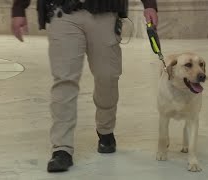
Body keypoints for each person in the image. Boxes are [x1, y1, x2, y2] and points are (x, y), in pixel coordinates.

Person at [11, 0, 158, 173]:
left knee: (108, 76)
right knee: (64, 80)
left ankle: (105, 129)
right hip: (62, 12)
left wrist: (149, 5)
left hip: (104, 11)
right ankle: (61, 148)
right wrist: (19, 8)